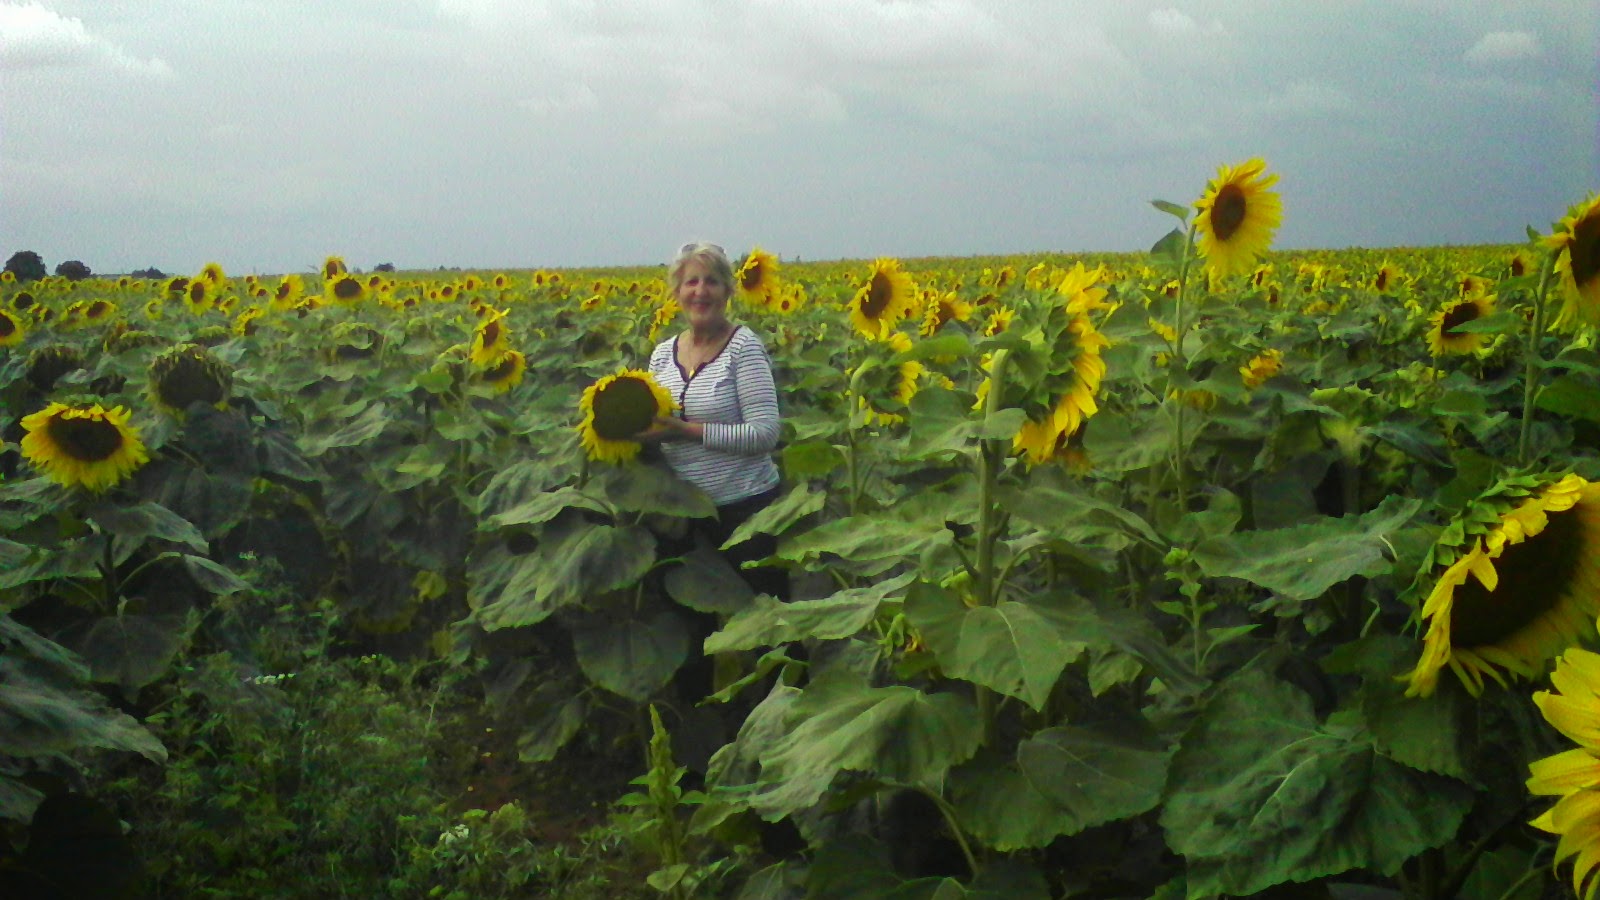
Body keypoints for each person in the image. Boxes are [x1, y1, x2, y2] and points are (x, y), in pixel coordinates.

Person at [637, 241, 787, 601]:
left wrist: (688, 431)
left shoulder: (743, 348)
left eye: (711, 281)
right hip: (683, 512)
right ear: (677, 292)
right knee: (692, 622)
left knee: (766, 619)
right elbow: (657, 424)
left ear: (727, 291)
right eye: (691, 282)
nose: (700, 291)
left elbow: (765, 434)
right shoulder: (661, 355)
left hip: (746, 509)